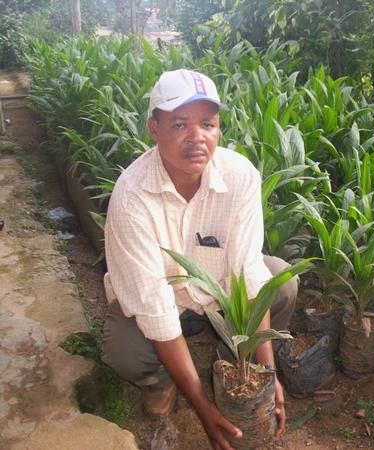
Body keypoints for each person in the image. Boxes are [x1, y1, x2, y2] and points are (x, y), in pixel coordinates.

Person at [101, 69, 298, 450]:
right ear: (153, 128)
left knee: (282, 282)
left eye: (208, 123)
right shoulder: (130, 195)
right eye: (179, 124)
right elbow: (154, 306)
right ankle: (163, 383)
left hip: (220, 296)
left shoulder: (239, 175)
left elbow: (248, 275)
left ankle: (232, 362)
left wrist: (265, 372)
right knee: (124, 351)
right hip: (164, 303)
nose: (197, 137)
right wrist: (203, 407)